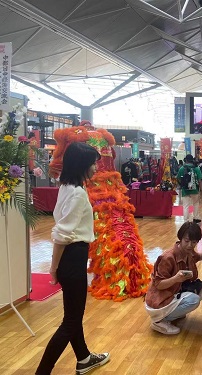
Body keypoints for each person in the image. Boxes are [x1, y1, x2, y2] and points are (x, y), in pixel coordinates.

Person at [36, 142, 110, 375]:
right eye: (93, 163)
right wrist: (53, 267)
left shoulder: (66, 186)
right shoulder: (77, 193)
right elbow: (62, 234)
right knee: (70, 321)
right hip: (73, 257)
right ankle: (42, 371)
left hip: (72, 256)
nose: (95, 167)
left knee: (73, 315)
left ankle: (84, 358)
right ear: (82, 165)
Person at [145, 222, 202, 335]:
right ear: (181, 238)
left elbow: (197, 257)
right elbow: (158, 284)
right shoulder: (167, 257)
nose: (190, 245)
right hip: (159, 299)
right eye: (186, 241)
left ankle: (173, 313)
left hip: (174, 291)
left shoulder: (188, 251)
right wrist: (175, 279)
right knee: (193, 300)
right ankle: (159, 321)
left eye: (194, 242)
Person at [177, 154, 202, 223]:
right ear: (192, 160)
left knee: (186, 206)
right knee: (196, 203)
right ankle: (196, 217)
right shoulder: (196, 168)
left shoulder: (182, 168)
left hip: (185, 190)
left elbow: (178, 178)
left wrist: (182, 184)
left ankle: (186, 220)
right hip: (195, 190)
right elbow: (200, 180)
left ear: (186, 160)